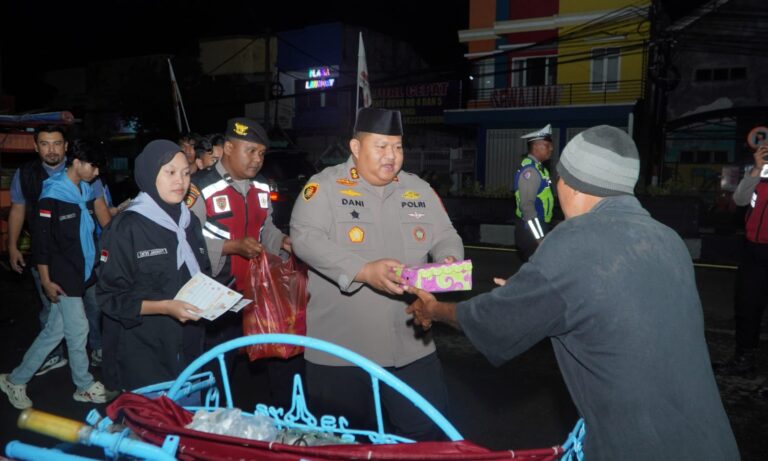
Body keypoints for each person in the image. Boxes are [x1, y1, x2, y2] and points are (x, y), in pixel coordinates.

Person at [405, 125, 739, 459]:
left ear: (572, 185)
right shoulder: (668, 239)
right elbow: (609, 304)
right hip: (713, 443)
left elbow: (494, 322)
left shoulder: (572, 241)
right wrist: (535, 295)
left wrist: (433, 309)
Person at [290, 108, 464, 441]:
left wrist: (448, 262)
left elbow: (446, 234)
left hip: (412, 345)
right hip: (342, 351)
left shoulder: (418, 189)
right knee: (343, 441)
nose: (392, 156)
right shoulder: (324, 187)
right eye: (381, 147)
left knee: (426, 433)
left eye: (398, 147)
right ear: (355, 148)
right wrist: (363, 271)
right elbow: (304, 237)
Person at [186, 117, 296, 408]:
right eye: (250, 151)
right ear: (229, 148)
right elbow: (185, 242)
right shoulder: (199, 187)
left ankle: (269, 418)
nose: (257, 159)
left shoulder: (261, 187)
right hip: (215, 292)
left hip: (255, 292)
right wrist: (231, 247)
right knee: (214, 364)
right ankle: (207, 420)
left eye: (261, 153)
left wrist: (283, 242)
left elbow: (267, 229)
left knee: (263, 358)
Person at [0, 140, 109, 409]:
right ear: (78, 163)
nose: (96, 174)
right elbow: (43, 243)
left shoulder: (82, 191)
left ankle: (15, 379)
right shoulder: (52, 194)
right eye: (93, 167)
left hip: (78, 269)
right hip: (61, 274)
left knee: (55, 330)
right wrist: (46, 280)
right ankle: (83, 385)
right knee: (79, 328)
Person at [96, 140, 211, 391]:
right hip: (144, 351)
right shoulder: (127, 227)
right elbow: (110, 298)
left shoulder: (189, 221)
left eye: (185, 173)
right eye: (170, 172)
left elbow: (202, 273)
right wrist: (165, 307)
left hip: (190, 347)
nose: (180, 181)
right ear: (149, 174)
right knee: (152, 425)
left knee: (187, 421)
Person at [717, 143, 768, 382]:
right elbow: (740, 199)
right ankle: (743, 361)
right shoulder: (763, 170)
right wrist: (756, 169)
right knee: (747, 307)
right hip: (753, 249)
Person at [513, 124, 554, 261]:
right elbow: (527, 207)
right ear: (536, 147)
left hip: (537, 226)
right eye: (547, 145)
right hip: (531, 230)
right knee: (536, 277)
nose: (551, 149)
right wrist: (540, 238)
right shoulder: (530, 172)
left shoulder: (540, 169)